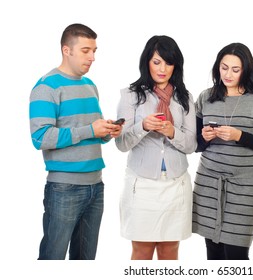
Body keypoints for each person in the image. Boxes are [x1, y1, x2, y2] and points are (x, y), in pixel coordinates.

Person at [29, 23, 123, 260]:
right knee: (53, 258)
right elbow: (40, 138)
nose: (92, 57)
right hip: (64, 189)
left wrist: (105, 132)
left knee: (85, 261)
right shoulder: (46, 87)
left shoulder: (90, 86)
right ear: (66, 50)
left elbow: (89, 133)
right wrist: (90, 129)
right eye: (85, 51)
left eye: (94, 51)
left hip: (96, 186)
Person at [192, 43, 253, 260]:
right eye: (224, 67)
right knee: (213, 251)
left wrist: (239, 136)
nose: (228, 74)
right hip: (209, 183)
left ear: (246, 70)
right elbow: (195, 145)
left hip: (245, 186)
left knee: (237, 255)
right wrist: (205, 138)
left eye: (235, 70)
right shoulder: (205, 97)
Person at [115, 35, 196, 260]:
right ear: (146, 62)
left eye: (168, 63)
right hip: (142, 185)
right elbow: (121, 143)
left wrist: (172, 132)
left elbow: (191, 145)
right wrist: (143, 126)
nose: (162, 69)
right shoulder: (130, 95)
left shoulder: (185, 98)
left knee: (170, 250)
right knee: (142, 250)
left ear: (176, 65)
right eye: (156, 61)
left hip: (176, 183)